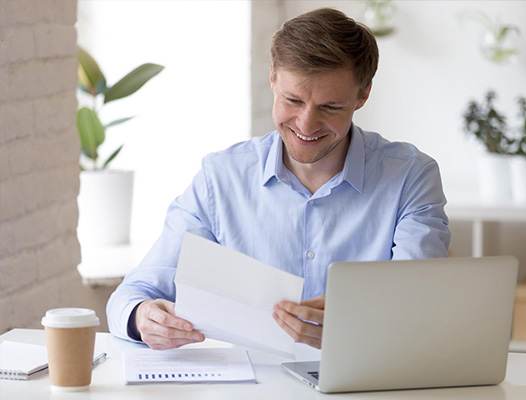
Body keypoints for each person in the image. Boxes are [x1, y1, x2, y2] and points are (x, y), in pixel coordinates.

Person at [106, 8, 450, 351]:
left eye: (330, 107)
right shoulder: (221, 179)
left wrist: (358, 322)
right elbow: (134, 294)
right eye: (292, 100)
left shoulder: (410, 177)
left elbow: (418, 306)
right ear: (272, 79)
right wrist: (143, 318)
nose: (306, 124)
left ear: (362, 96)